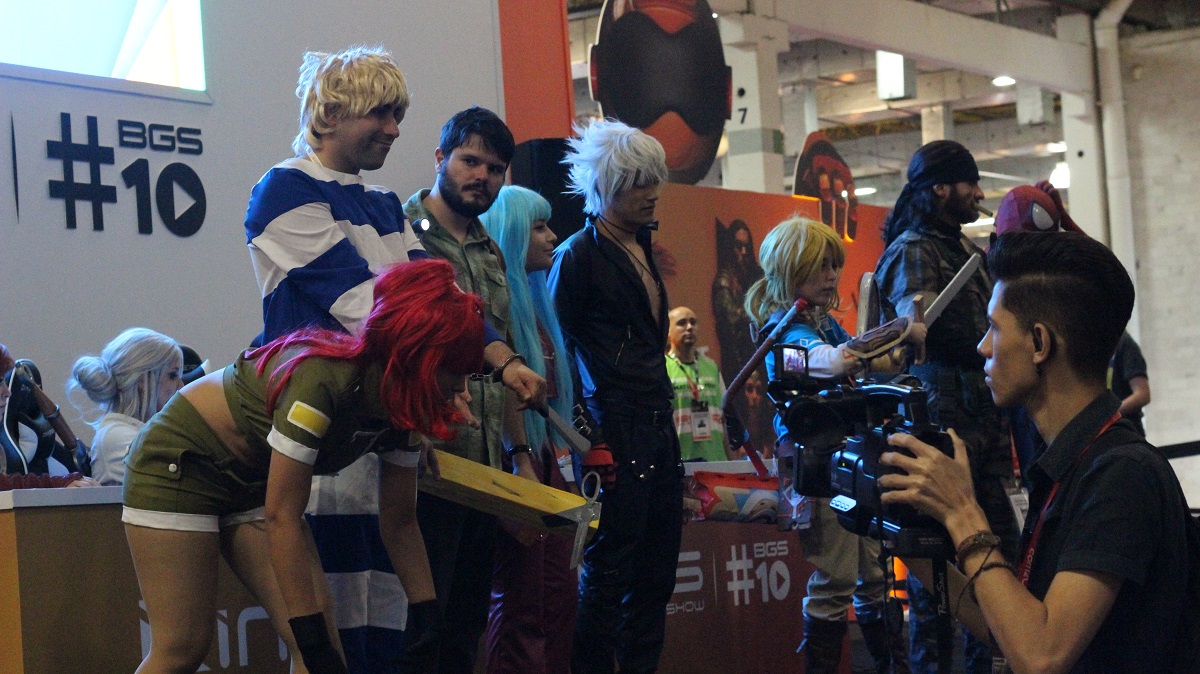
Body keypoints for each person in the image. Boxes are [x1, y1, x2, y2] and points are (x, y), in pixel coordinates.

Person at [242, 48, 544, 673]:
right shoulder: (284, 188)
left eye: (398, 115)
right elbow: (367, 310)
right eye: (380, 114)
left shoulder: (383, 203)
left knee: (386, 635)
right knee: (331, 639)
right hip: (315, 438)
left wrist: (501, 359)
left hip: (379, 436)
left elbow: (442, 305)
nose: (394, 130)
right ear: (330, 114)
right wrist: (446, 376)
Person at [123, 259, 482, 674]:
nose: (462, 389)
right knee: (182, 647)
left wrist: (427, 618)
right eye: (454, 371)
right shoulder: (322, 382)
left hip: (253, 480)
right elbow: (283, 517)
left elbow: (400, 521)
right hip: (180, 461)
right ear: (415, 356)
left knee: (323, 643)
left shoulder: (404, 403)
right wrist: (311, 641)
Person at [879, 231, 1191, 674]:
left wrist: (962, 513)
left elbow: (1041, 656)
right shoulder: (1071, 461)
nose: (983, 347)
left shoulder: (1122, 473)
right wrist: (906, 541)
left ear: (1040, 344)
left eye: (994, 328)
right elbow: (1011, 629)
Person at [746, 216, 922, 674]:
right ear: (792, 268)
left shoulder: (820, 324)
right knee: (837, 579)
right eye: (821, 266)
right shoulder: (784, 331)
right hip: (819, 468)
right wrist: (898, 331)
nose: (832, 275)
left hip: (848, 460)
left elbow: (863, 359)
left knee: (875, 575)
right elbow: (833, 362)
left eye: (833, 265)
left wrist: (897, 347)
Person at [874, 139, 1020, 674]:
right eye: (969, 182)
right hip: (940, 418)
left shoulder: (966, 252)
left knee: (999, 555)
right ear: (940, 189)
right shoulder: (914, 250)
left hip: (983, 418)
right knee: (937, 574)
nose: (979, 193)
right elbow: (912, 330)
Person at [401, 106, 535, 673]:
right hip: (422, 469)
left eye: (495, 168)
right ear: (440, 158)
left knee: (465, 629)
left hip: (484, 472)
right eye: (470, 161)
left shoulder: (490, 249)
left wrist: (519, 455)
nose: (482, 176)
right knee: (419, 633)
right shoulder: (399, 233)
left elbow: (504, 360)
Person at [550, 118, 681, 674]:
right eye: (637, 181)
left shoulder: (639, 246)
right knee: (608, 578)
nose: (651, 191)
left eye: (654, 179)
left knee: (655, 577)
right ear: (605, 185)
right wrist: (590, 434)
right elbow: (558, 353)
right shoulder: (578, 255)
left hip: (654, 424)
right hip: (614, 426)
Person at [479, 185, 579, 674]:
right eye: (538, 227)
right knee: (522, 601)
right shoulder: (496, 318)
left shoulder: (541, 308)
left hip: (549, 460)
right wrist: (521, 457)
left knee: (559, 597)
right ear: (512, 234)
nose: (552, 236)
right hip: (514, 461)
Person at [68, 328, 184, 485]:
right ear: (143, 379)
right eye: (173, 375)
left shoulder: (135, 432)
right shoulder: (117, 437)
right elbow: (179, 488)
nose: (181, 385)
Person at [665, 306, 733, 462]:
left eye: (693, 322)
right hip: (682, 463)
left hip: (716, 461)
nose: (689, 327)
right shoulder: (663, 369)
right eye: (681, 323)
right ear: (667, 331)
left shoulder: (711, 367)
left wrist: (730, 463)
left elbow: (725, 418)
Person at [1109, 331, 1150, 436]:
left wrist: (1107, 415)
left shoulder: (1124, 343)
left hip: (1126, 432)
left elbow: (1142, 394)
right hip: (1108, 434)